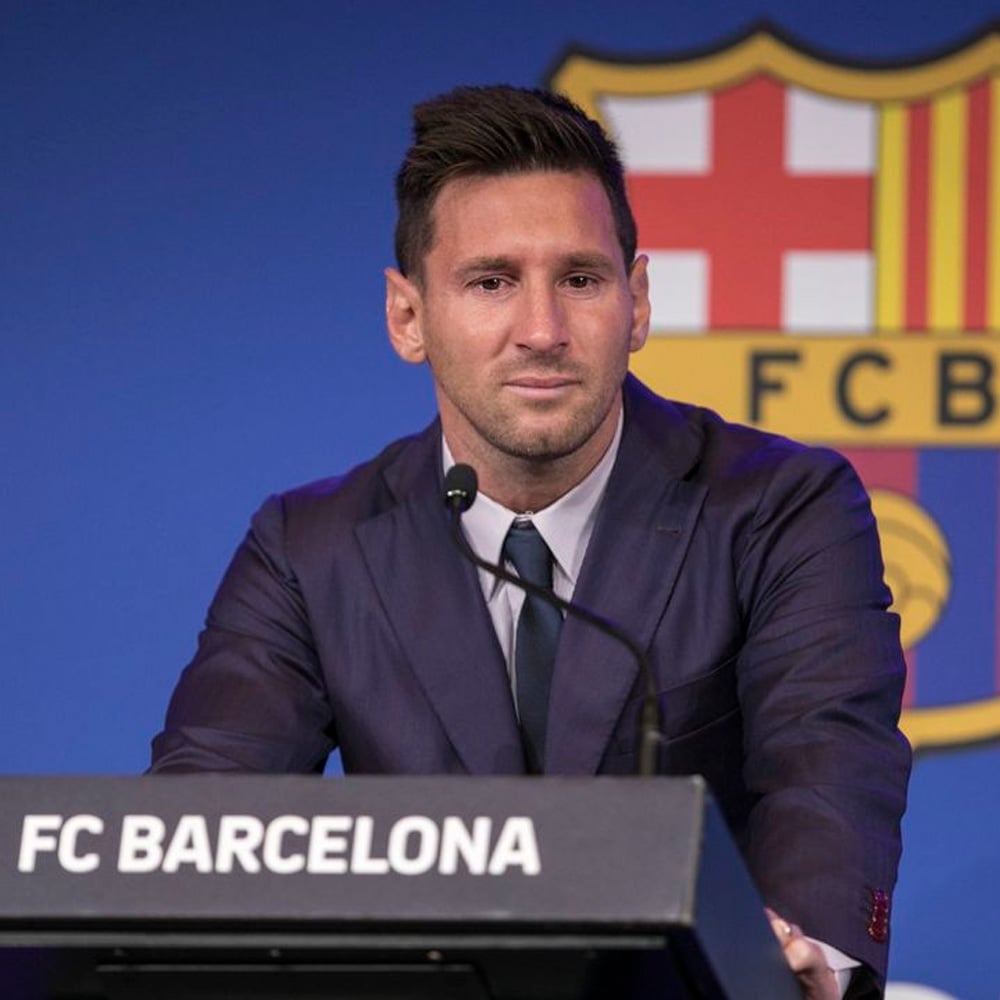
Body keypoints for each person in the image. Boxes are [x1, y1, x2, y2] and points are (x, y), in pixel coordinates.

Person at [151, 85, 911, 999]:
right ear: (408, 318)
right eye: (491, 282)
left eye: (580, 280)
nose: (543, 332)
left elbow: (827, 768)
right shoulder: (311, 548)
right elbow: (203, 825)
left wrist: (800, 962)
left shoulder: (781, 507)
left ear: (636, 302)